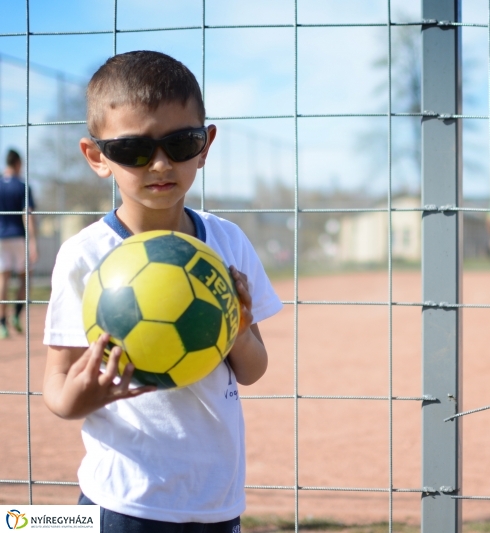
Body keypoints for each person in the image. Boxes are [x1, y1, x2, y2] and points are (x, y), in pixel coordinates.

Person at [41, 51, 283, 532]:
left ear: (206, 145)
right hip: (122, 501)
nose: (159, 164)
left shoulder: (227, 244)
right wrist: (83, 395)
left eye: (181, 143)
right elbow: (58, 388)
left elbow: (254, 369)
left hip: (216, 499)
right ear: (97, 157)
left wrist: (234, 331)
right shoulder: (86, 256)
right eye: (133, 149)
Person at [0, 149, 38, 339]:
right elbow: (28, 215)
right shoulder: (23, 186)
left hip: (1, 238)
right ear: (17, 163)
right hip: (18, 237)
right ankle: (15, 314)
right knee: (24, 277)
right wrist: (33, 242)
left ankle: (2, 324)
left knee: (3, 279)